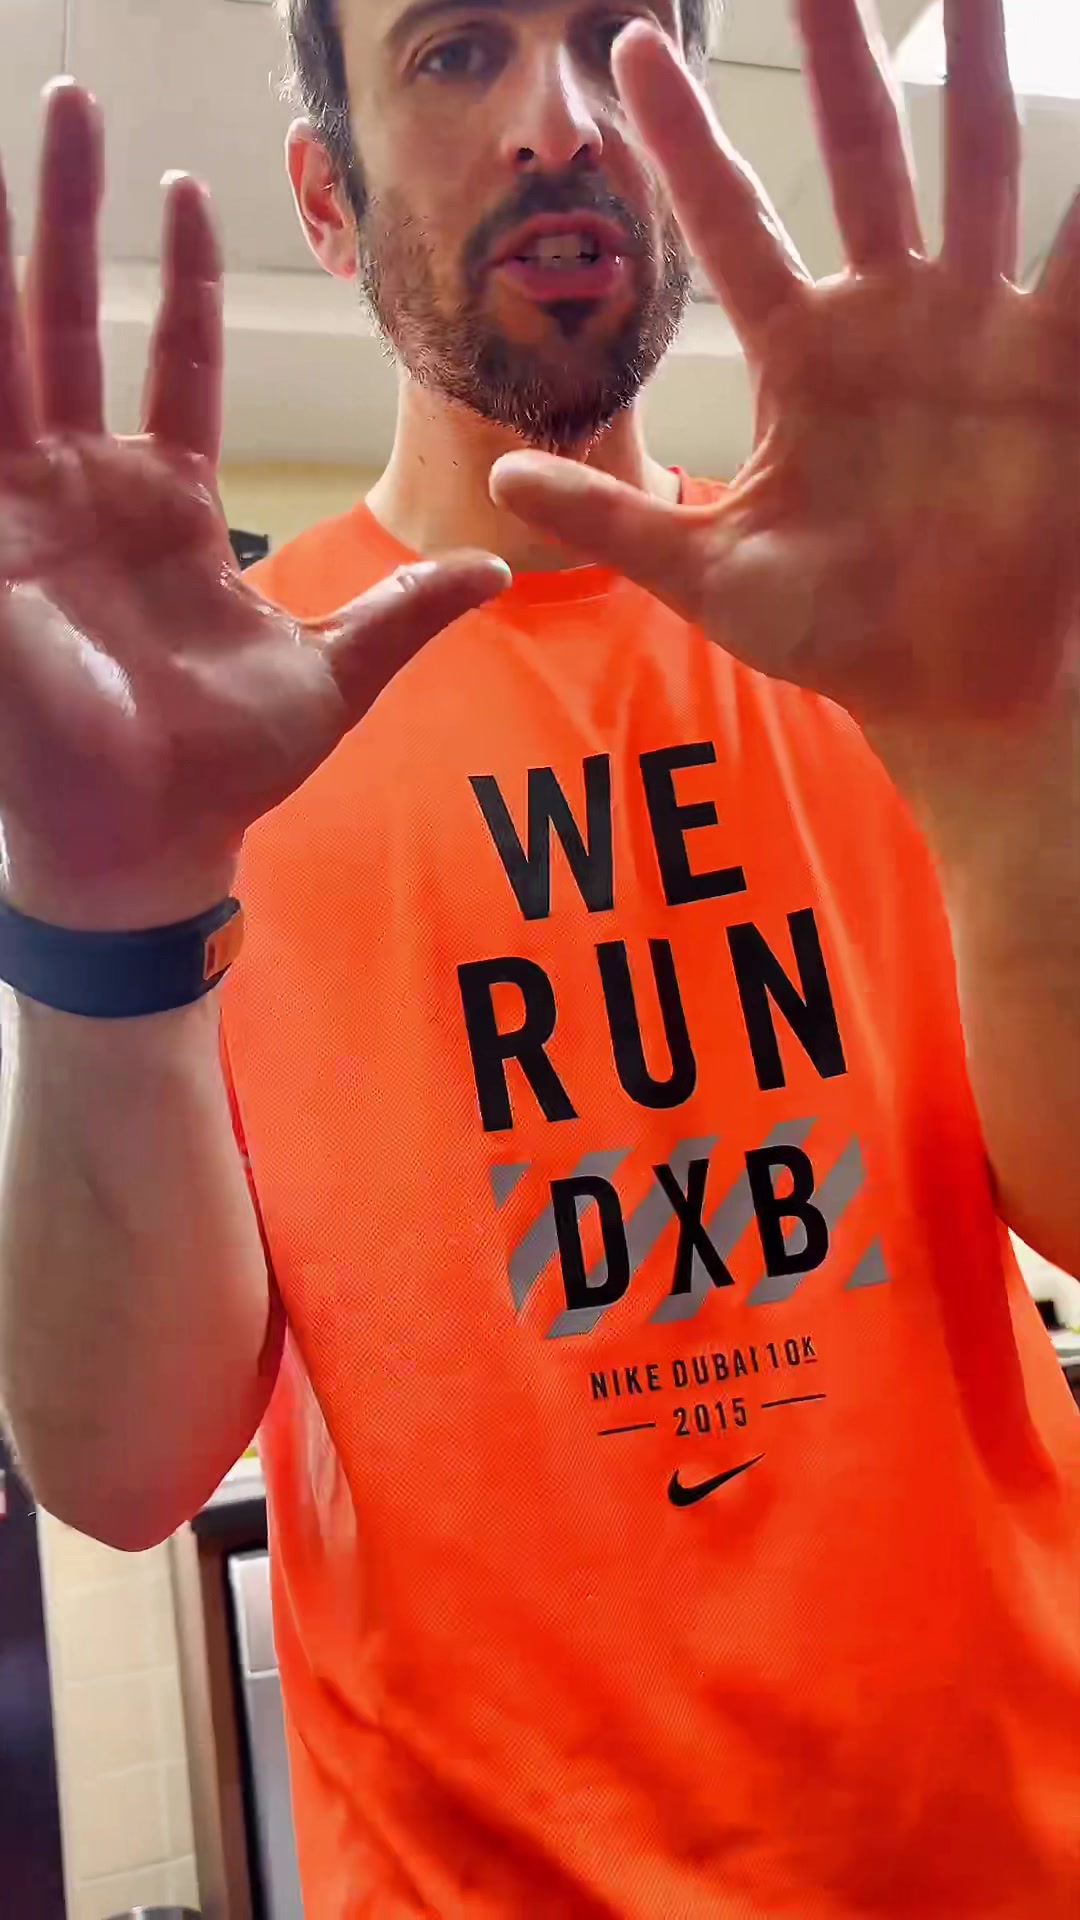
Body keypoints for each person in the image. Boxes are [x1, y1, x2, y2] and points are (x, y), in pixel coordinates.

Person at [0, 0, 1078, 1911]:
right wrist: (107, 915)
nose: (559, 120)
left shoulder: (887, 619)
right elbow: (122, 1468)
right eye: (457, 50)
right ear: (326, 200)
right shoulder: (226, 723)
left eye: (617, 41)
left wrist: (1013, 754)